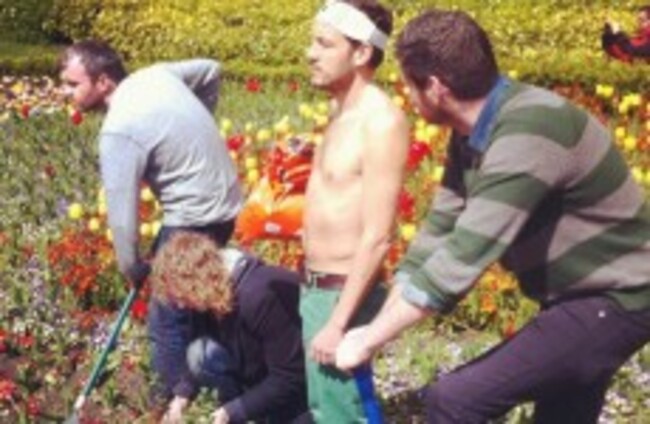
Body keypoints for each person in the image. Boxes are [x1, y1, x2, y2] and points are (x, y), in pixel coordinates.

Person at [336, 9, 650, 423]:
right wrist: (376, 328)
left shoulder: (529, 131)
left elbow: (463, 256)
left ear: (436, 87)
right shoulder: (473, 133)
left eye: (409, 84)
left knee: (454, 400)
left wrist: (369, 340)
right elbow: (439, 232)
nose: (406, 96)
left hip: (620, 299)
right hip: (578, 300)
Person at [58, 41, 243, 407]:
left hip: (194, 217)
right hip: (227, 203)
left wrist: (133, 268)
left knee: (167, 321)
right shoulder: (156, 75)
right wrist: (197, 127)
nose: (65, 92)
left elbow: (122, 218)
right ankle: (212, 381)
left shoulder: (119, 129)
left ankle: (173, 405)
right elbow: (211, 68)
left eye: (72, 84)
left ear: (103, 82)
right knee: (197, 303)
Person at [302, 0, 409, 422]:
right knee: (328, 409)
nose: (311, 53)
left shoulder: (380, 122)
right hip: (317, 289)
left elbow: (379, 236)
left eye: (324, 44)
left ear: (362, 52)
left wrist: (337, 323)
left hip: (342, 293)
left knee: (345, 412)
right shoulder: (339, 111)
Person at [149, 231, 312, 424]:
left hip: (304, 389)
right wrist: (181, 397)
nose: (182, 305)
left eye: (182, 296)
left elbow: (290, 376)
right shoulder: (210, 295)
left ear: (197, 282)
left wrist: (234, 411)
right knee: (200, 352)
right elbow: (202, 350)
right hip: (260, 375)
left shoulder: (260, 295)